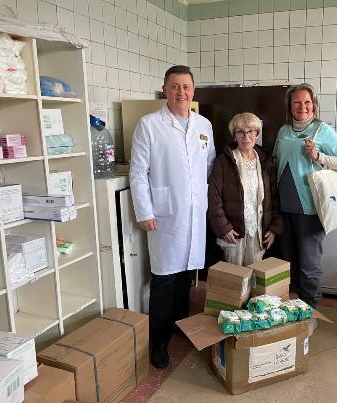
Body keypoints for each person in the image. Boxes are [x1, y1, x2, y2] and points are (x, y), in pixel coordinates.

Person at [129, 65, 215, 369]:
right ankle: (159, 342)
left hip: (194, 211)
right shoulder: (149, 124)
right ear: (165, 89)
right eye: (175, 86)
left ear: (193, 90)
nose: (181, 92)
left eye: (186, 86)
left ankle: (180, 325)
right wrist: (145, 210)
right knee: (164, 278)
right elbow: (138, 172)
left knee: (185, 276)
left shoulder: (204, 125)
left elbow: (208, 165)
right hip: (164, 214)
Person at [273, 83, 337, 308]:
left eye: (307, 102)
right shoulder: (283, 131)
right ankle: (291, 310)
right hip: (283, 208)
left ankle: (310, 310)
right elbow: (275, 161)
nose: (303, 107)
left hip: (309, 208)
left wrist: (319, 156)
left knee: (309, 265)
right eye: (297, 102)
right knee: (287, 262)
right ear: (290, 106)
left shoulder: (323, 130)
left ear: (314, 105)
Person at [208, 113, 283, 266]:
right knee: (233, 276)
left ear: (257, 134)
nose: (246, 136)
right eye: (240, 132)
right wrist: (223, 228)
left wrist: (274, 228)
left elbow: (274, 197)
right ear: (234, 135)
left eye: (251, 131)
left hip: (259, 232)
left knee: (255, 275)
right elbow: (214, 198)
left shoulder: (265, 160)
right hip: (233, 233)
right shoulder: (223, 161)